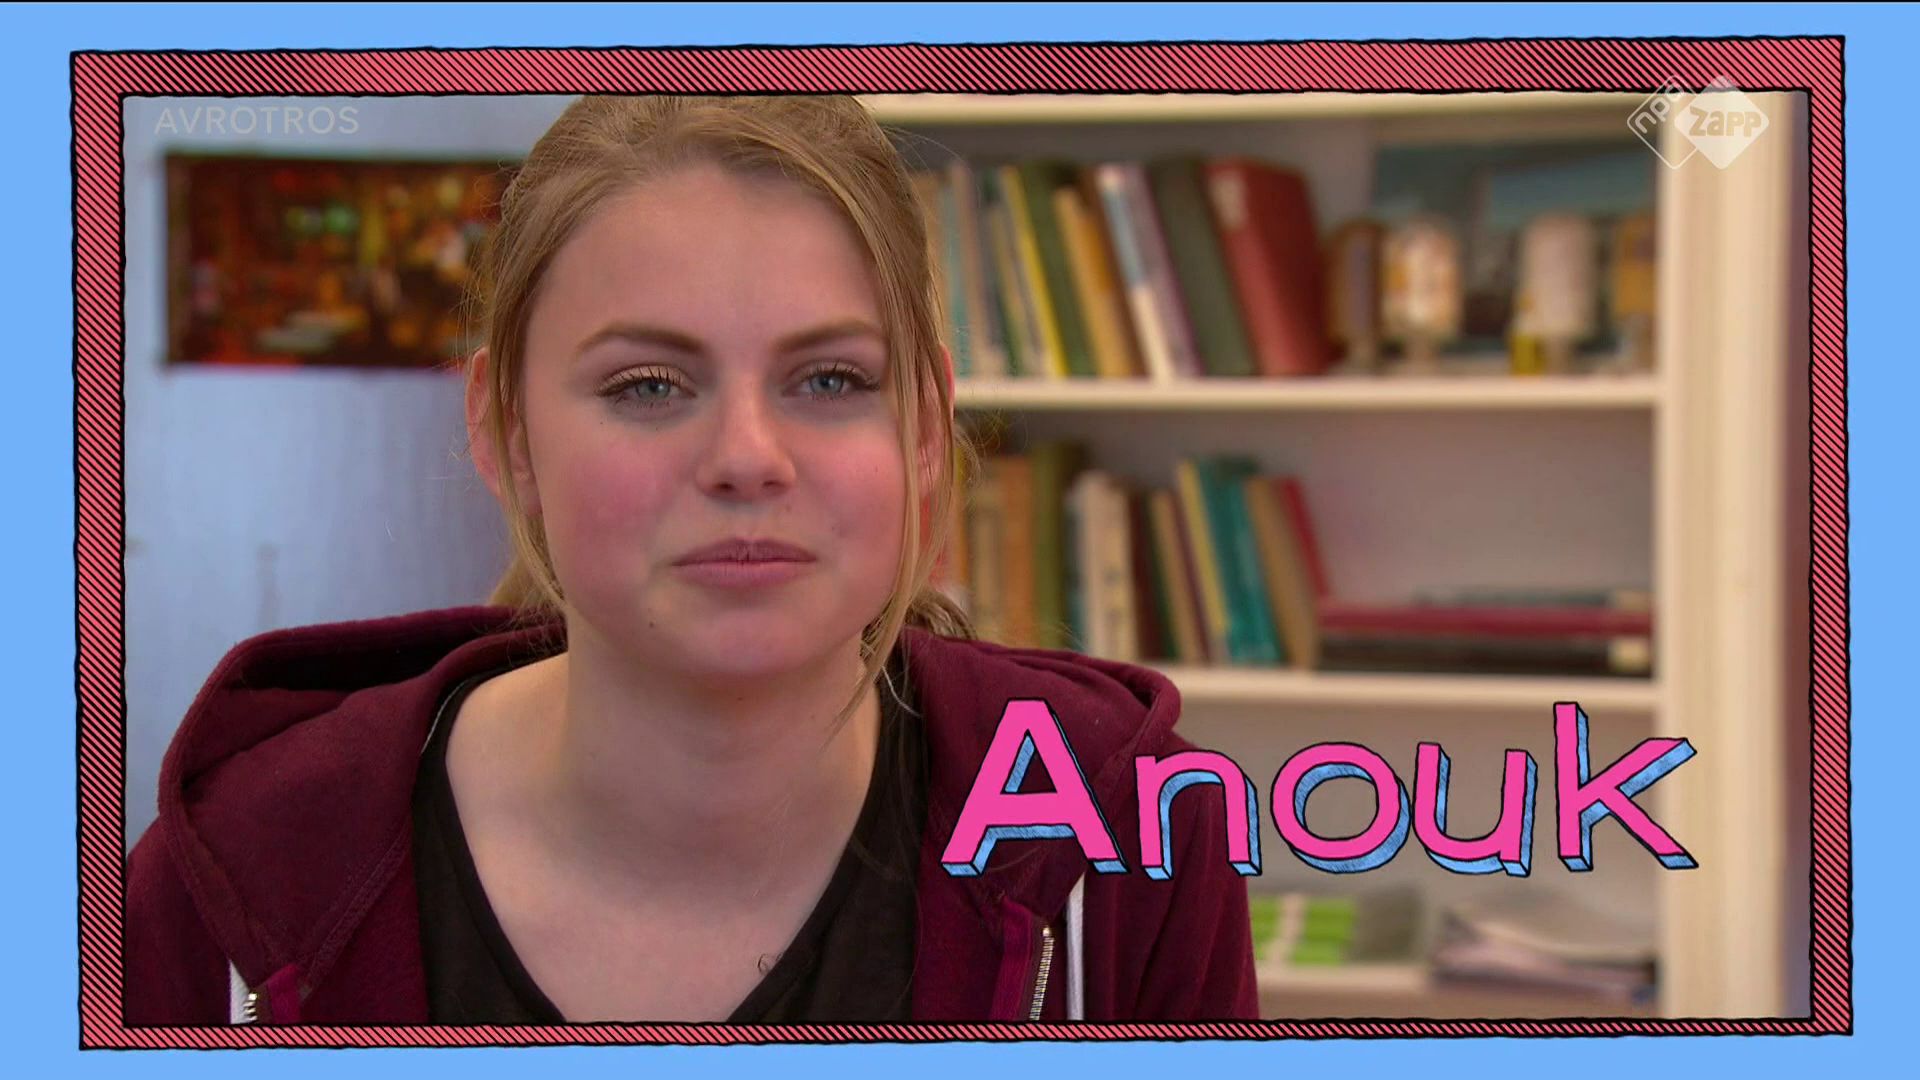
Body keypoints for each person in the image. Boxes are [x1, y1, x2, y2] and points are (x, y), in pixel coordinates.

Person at [122, 95, 1260, 1026]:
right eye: (648, 386)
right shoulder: (232, 887)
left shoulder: (1132, 842)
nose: (748, 458)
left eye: (831, 379)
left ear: (924, 428)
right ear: (505, 432)